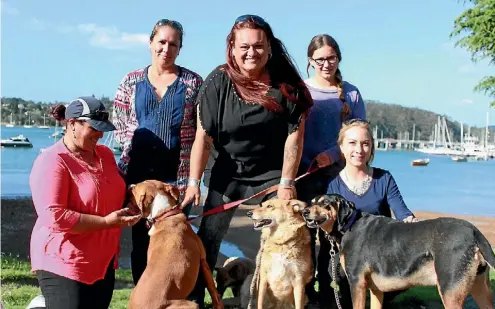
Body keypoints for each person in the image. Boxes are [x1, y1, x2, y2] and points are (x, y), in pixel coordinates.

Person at [181, 14, 313, 307]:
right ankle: (196, 299)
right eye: (244, 46)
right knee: (209, 238)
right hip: (227, 172)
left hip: (272, 173)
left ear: (269, 47)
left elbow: (295, 135)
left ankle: (291, 296)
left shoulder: (286, 85)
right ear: (232, 47)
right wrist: (193, 183)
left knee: (288, 232)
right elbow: (203, 137)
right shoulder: (217, 82)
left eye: (258, 46)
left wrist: (287, 182)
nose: (251, 52)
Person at [112, 18, 203, 284]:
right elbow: (120, 123)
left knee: (175, 245)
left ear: (180, 48)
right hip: (137, 180)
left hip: (176, 181)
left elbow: (201, 131)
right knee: (141, 245)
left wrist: (194, 181)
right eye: (161, 42)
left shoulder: (192, 82)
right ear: (151, 43)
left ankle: (176, 297)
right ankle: (145, 296)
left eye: (173, 44)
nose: (166, 48)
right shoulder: (131, 80)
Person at [29, 97, 141, 309]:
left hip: (102, 261)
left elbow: (114, 190)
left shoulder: (105, 155)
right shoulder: (53, 160)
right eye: (94, 128)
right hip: (64, 260)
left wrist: (132, 201)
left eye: (103, 129)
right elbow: (54, 216)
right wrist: (107, 222)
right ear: (72, 124)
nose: (100, 135)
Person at [295, 34, 366, 308]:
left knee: (331, 238)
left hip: (337, 177)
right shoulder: (301, 90)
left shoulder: (351, 93)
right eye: (320, 59)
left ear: (339, 58)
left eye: (331, 58)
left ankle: (330, 294)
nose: (326, 64)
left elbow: (359, 133)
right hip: (304, 175)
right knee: (303, 238)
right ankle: (304, 293)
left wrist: (334, 154)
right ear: (310, 61)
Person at [327, 119, 418, 308]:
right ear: (342, 147)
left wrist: (413, 223)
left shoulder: (384, 178)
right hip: (348, 256)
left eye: (365, 143)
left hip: (382, 254)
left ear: (371, 148)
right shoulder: (333, 185)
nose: (359, 150)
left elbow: (402, 213)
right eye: (352, 143)